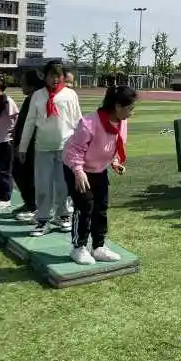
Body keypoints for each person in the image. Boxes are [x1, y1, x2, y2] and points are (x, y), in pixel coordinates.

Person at [63, 85, 136, 265]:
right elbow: (74, 150)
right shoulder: (89, 123)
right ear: (117, 106)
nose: (132, 113)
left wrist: (115, 161)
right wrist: (78, 171)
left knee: (101, 207)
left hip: (98, 170)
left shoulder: (122, 122)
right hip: (77, 169)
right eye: (129, 108)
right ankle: (78, 247)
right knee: (85, 206)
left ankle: (98, 247)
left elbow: (115, 145)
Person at [17, 60, 82, 236]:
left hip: (65, 147)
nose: (55, 79)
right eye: (52, 75)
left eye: (58, 75)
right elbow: (30, 122)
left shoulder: (70, 95)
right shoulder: (38, 96)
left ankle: (63, 215)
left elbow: (78, 121)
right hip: (43, 147)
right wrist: (23, 148)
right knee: (43, 185)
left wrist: (80, 146)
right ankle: (43, 219)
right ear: (44, 77)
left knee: (62, 185)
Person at [11, 70, 44, 221]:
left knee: (28, 175)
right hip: (24, 146)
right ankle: (30, 203)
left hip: (32, 147)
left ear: (32, 85)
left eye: (23, 82)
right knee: (20, 172)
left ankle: (33, 207)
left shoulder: (36, 100)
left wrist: (23, 146)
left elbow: (32, 126)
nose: (21, 85)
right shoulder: (30, 99)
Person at [0, 72, 19, 210]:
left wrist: (14, 134)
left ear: (0, 86)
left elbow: (16, 119)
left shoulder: (7, 101)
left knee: (4, 170)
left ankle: (5, 197)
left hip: (5, 141)